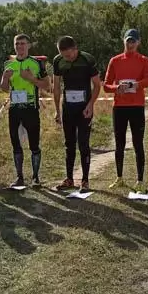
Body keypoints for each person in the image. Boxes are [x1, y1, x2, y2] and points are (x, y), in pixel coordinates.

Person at [103, 28, 148, 193]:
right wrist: (116, 88)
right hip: (119, 107)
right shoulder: (115, 61)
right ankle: (119, 178)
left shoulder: (144, 60)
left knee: (138, 143)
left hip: (137, 107)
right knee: (119, 144)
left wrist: (138, 84)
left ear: (138, 42)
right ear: (123, 41)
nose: (130, 44)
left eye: (133, 41)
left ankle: (140, 180)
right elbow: (106, 85)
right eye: (128, 41)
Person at [0, 34, 50, 188]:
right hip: (15, 109)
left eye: (22, 43)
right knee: (16, 144)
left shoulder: (37, 63)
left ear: (28, 45)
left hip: (31, 108)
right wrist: (5, 78)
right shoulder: (9, 63)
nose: (20, 46)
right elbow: (4, 88)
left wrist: (31, 79)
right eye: (17, 44)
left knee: (34, 144)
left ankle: (35, 178)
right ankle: (19, 177)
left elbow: (47, 85)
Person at [52, 36, 101, 193]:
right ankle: (69, 178)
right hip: (68, 108)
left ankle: (85, 180)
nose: (67, 58)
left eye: (69, 55)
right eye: (64, 55)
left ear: (75, 49)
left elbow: (97, 85)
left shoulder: (87, 59)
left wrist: (90, 105)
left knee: (83, 144)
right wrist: (57, 110)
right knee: (69, 144)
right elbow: (56, 87)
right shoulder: (58, 61)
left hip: (84, 108)